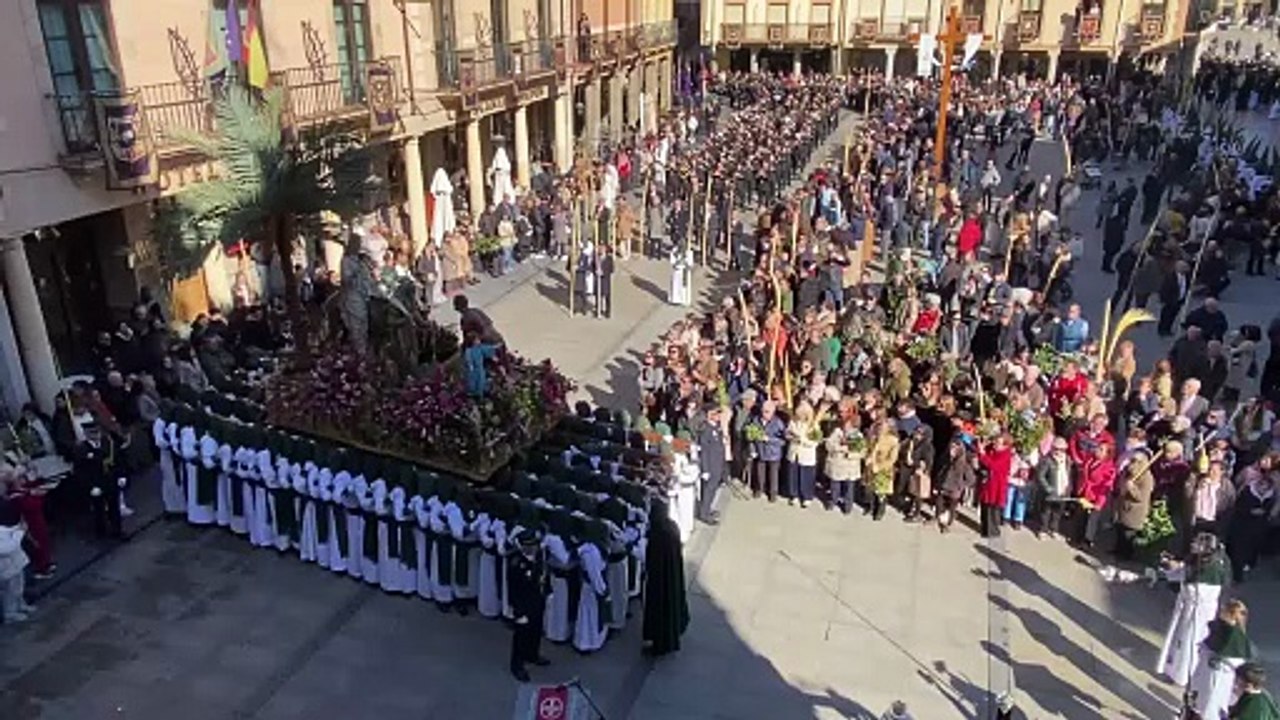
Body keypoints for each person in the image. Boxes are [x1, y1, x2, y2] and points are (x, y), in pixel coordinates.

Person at [1156, 532, 1231, 688]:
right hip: (1189, 607)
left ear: (1205, 548)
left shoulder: (1211, 568)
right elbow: (1184, 571)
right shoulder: (1202, 559)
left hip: (1197, 611)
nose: (1192, 544)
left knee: (1189, 642)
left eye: (1197, 543)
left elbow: (1193, 586)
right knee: (1179, 640)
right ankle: (1173, 669)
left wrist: (1176, 572)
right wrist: (1171, 566)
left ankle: (1183, 675)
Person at [1191, 599, 1254, 720]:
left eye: (1223, 610)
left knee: (1212, 701)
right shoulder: (1221, 626)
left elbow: (1237, 660)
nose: (1220, 612)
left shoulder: (1235, 637)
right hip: (1208, 670)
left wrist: (1217, 657)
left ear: (1230, 614)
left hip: (1219, 674)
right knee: (1203, 698)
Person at [642, 500, 689, 657]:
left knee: (659, 613)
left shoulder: (658, 534)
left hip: (658, 582)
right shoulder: (672, 527)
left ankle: (659, 644)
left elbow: (651, 559)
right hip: (672, 578)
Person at [507, 529, 549, 682]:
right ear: (523, 546)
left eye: (534, 545)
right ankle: (517, 665)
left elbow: (542, 576)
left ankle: (533, 655)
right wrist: (518, 613)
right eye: (529, 546)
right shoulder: (516, 563)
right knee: (521, 637)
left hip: (537, 601)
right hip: (523, 606)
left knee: (535, 631)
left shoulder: (538, 557)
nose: (533, 548)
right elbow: (513, 590)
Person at [0, 502, 34, 624]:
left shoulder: (10, 528)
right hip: (6, 569)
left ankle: (21, 605)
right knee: (9, 592)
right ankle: (10, 613)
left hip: (17, 564)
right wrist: (20, 532)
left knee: (19, 587)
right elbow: (8, 548)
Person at [697, 405, 726, 525]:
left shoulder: (717, 427)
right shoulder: (706, 429)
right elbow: (704, 450)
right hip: (710, 464)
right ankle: (704, 514)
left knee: (713, 489)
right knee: (708, 490)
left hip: (717, 463)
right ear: (710, 415)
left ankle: (708, 509)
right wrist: (705, 469)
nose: (719, 416)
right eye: (717, 413)